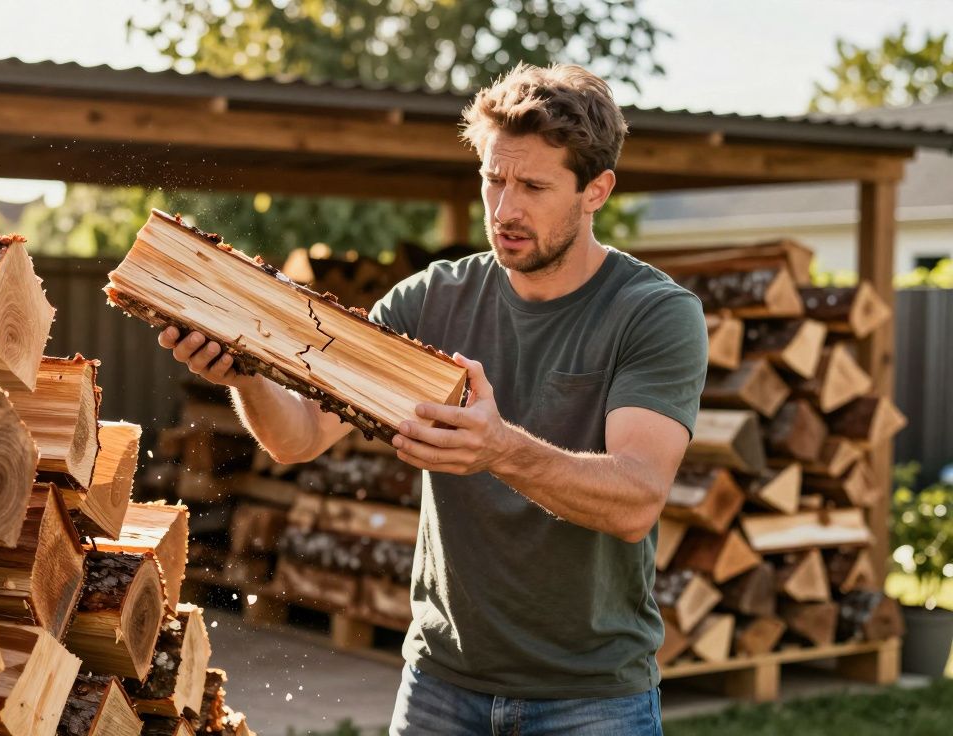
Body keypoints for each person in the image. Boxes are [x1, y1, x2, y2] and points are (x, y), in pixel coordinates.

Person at [156, 62, 707, 735]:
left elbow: (637, 499)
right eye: (493, 180)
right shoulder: (433, 300)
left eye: (533, 186)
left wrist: (500, 449)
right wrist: (244, 375)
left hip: (592, 696)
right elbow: (296, 437)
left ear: (597, 190)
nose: (505, 210)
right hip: (441, 685)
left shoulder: (652, 314)